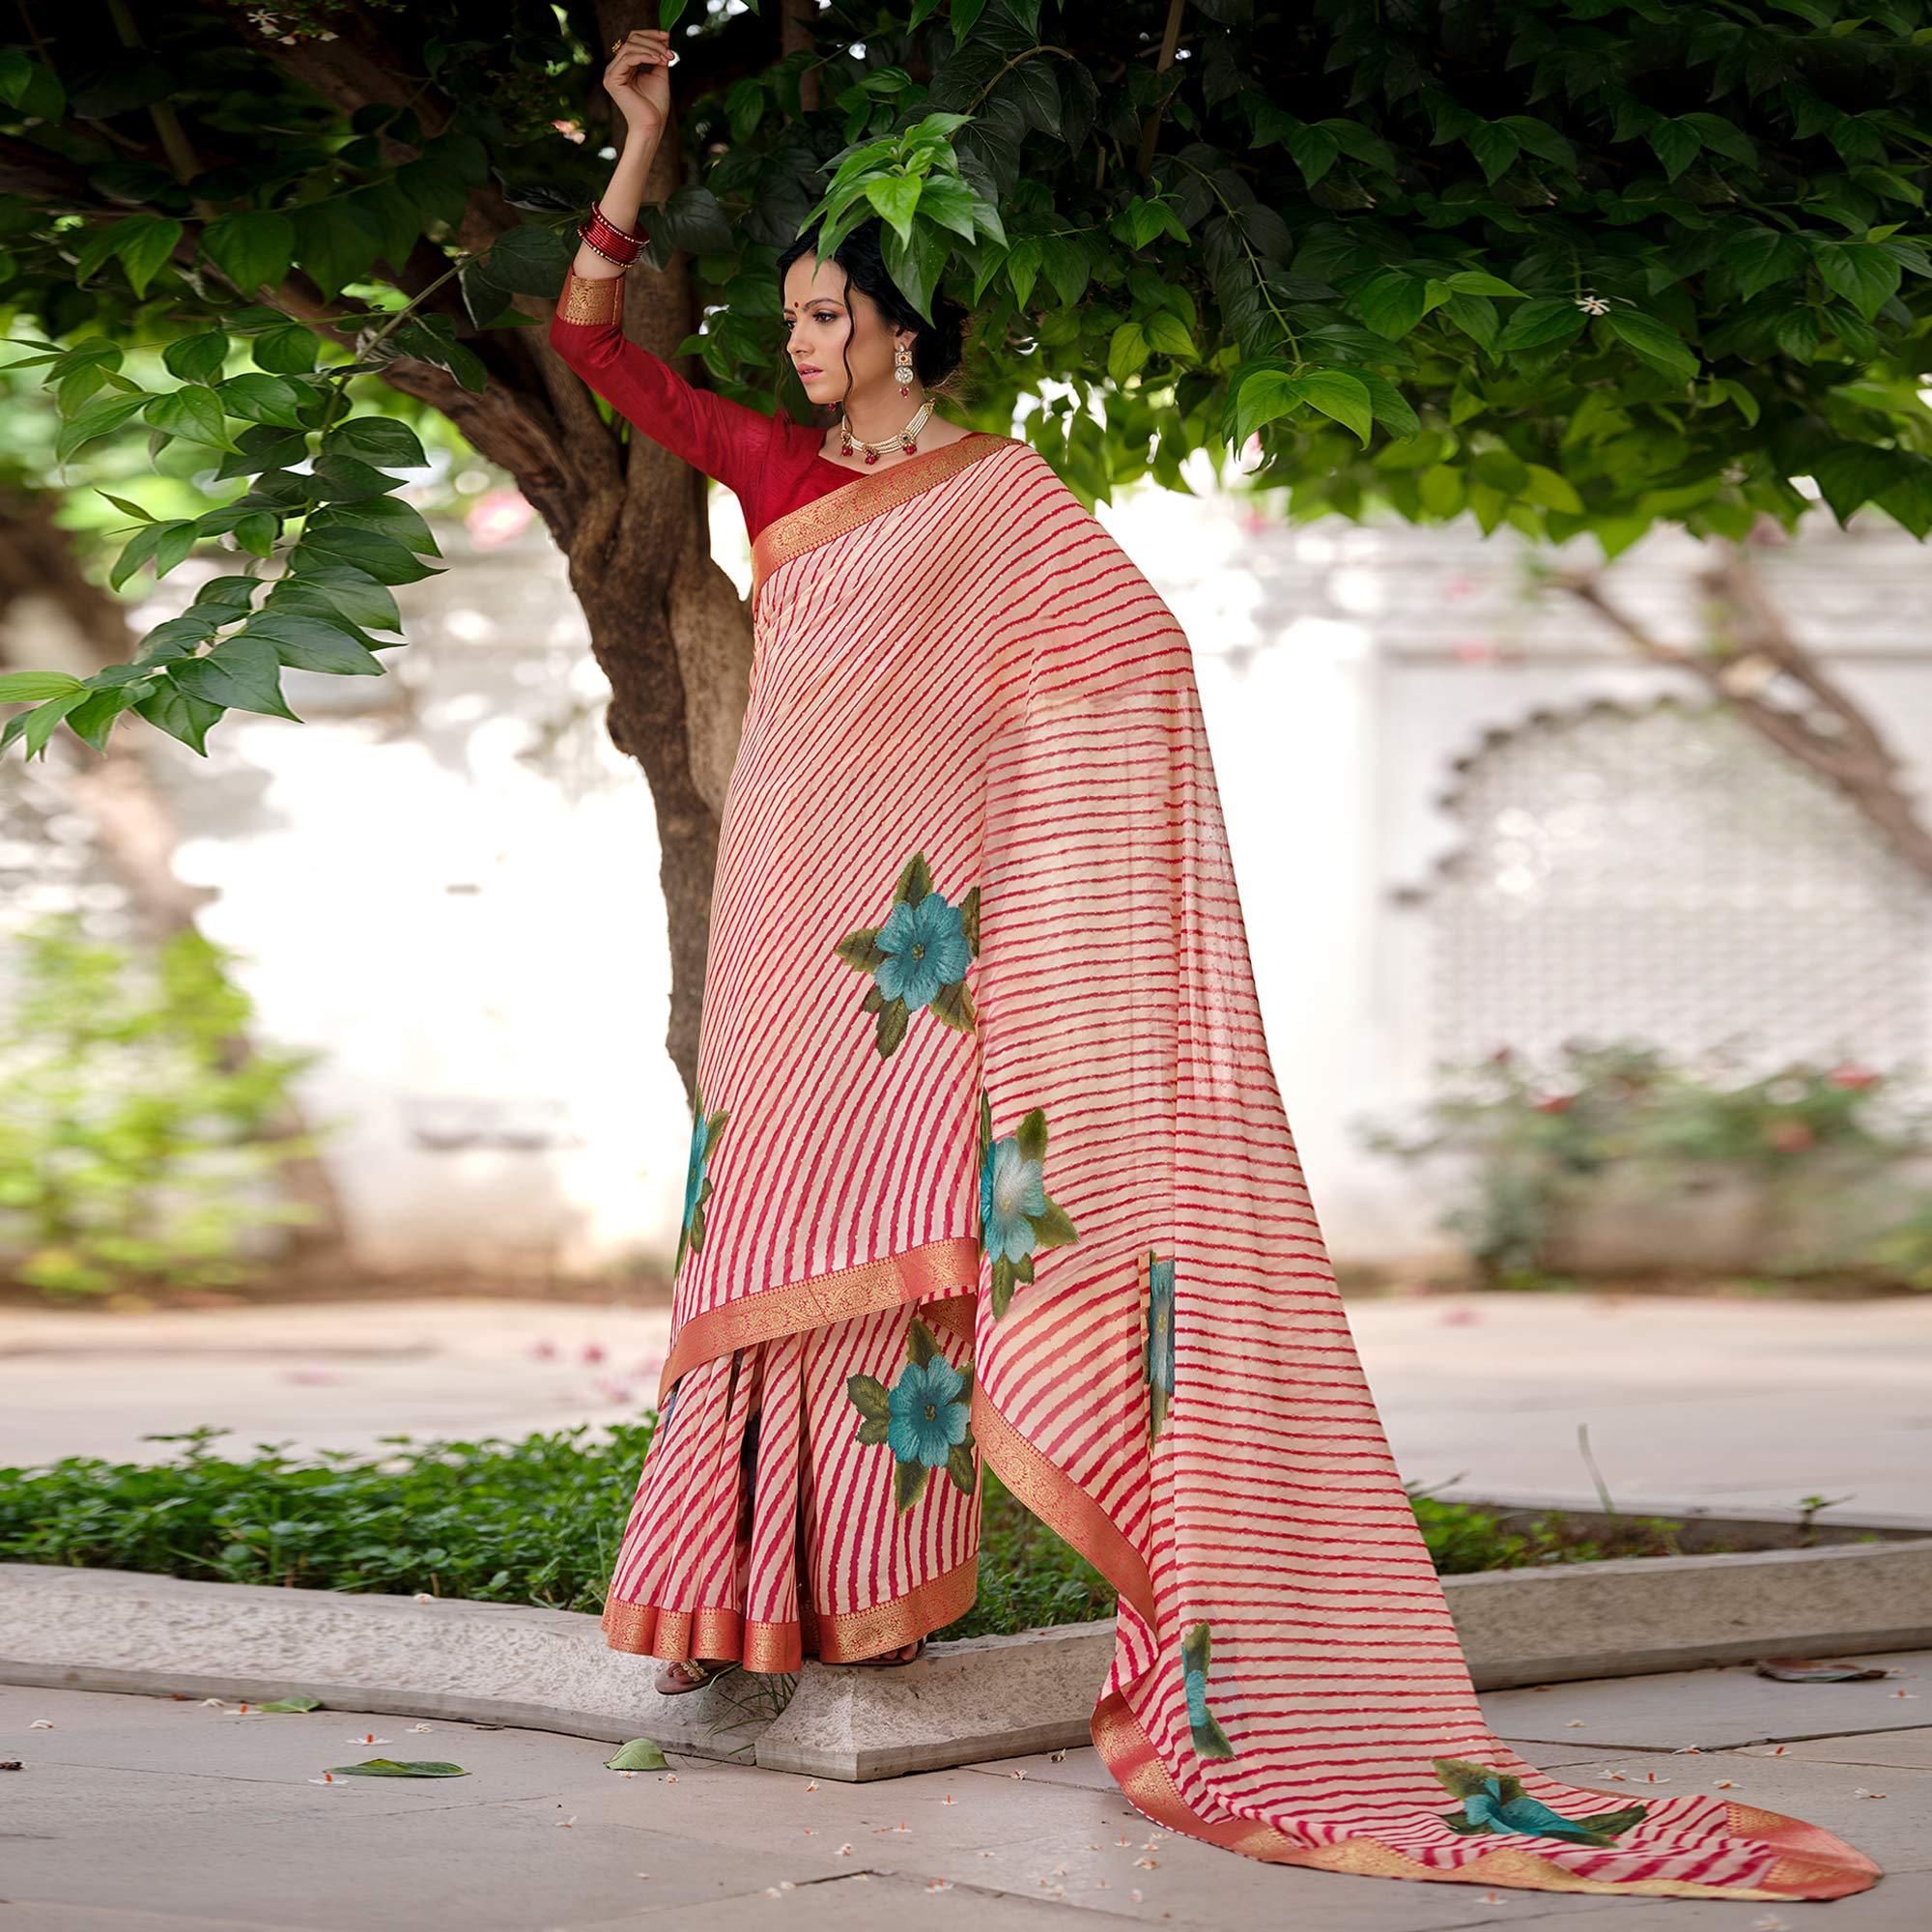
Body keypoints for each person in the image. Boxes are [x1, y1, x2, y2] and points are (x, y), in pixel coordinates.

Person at [540, 27, 1883, 1905]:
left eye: (825, 313)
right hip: (786, 929)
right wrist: (643, 143)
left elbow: (1134, 658)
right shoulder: (772, 472)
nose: (797, 343)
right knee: (770, 1241)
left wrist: (1053, 854)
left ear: (904, 333)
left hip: (931, 947)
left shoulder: (1000, 502)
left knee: (921, 1252)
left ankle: (867, 1602)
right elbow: (589, 348)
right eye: (789, 315)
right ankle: (737, 1594)